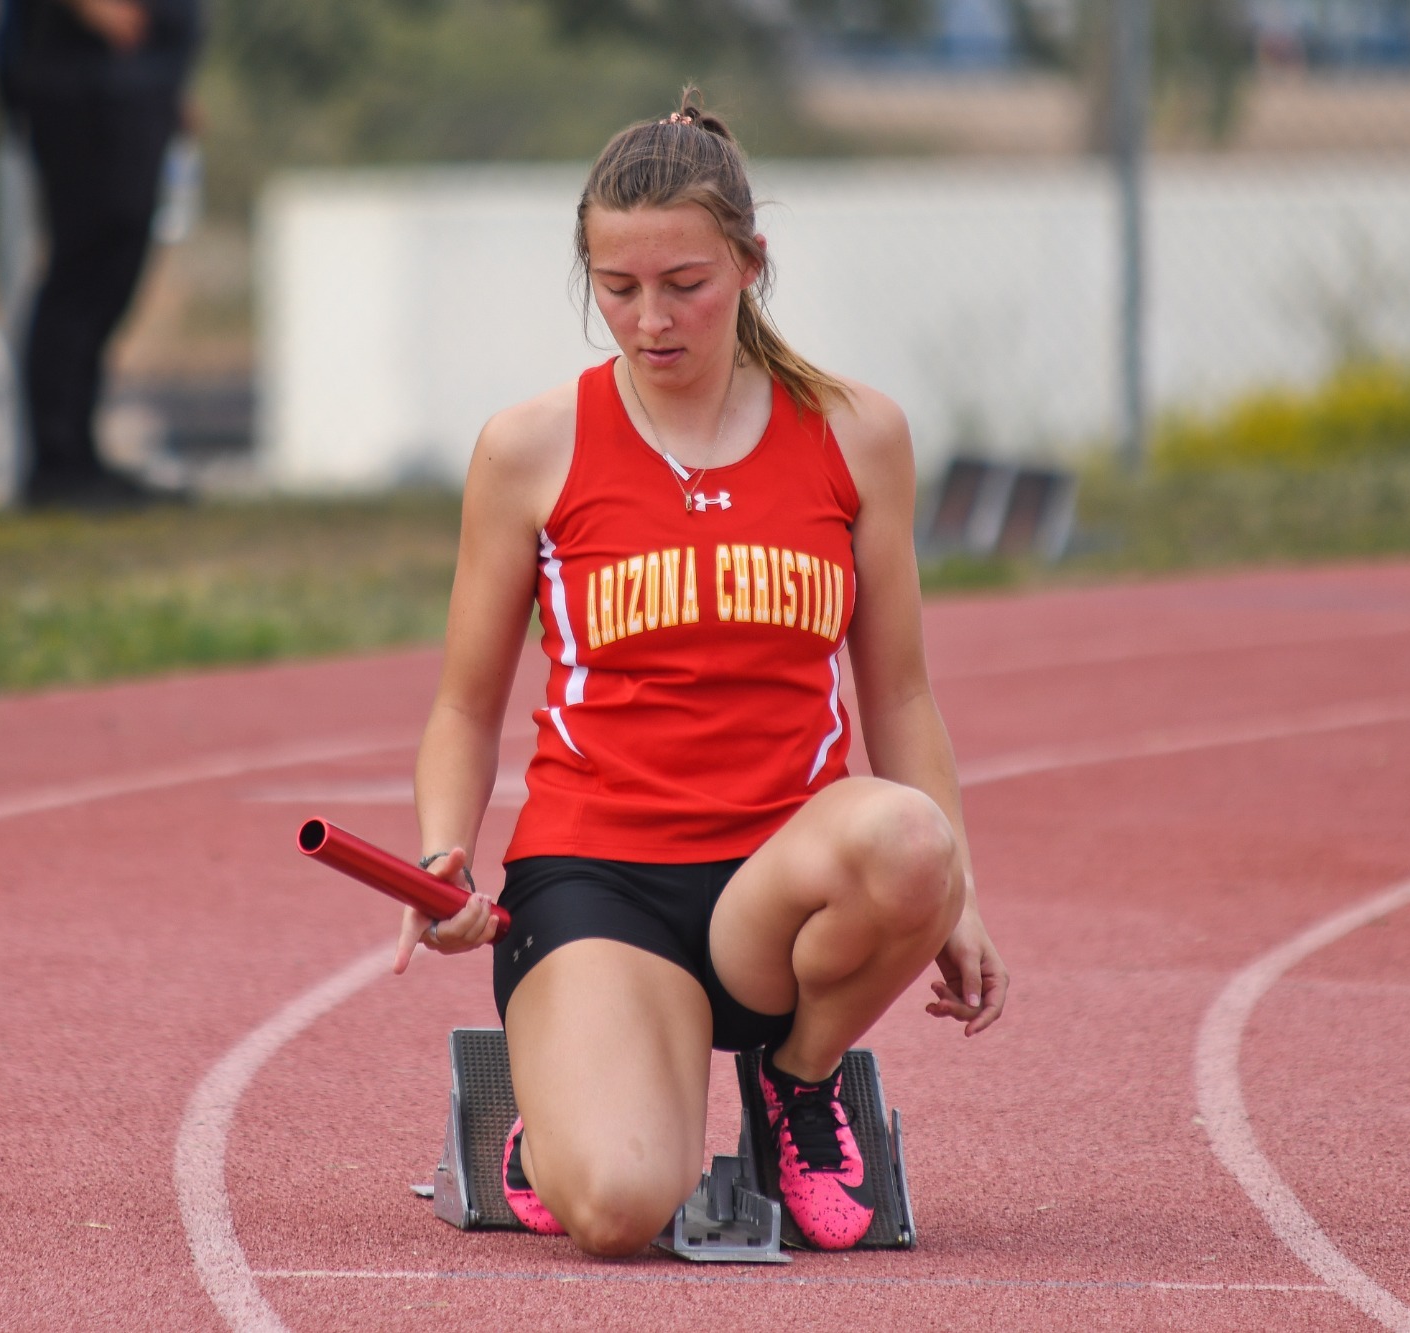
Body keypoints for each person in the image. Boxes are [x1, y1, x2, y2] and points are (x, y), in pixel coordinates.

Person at [394, 93, 1009, 1257]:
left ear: (749, 263)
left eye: (684, 283)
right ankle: (562, 1096)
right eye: (615, 289)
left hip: (775, 891)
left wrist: (957, 896)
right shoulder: (529, 447)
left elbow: (900, 696)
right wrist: (441, 852)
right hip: (598, 883)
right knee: (622, 1211)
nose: (648, 320)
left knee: (912, 840)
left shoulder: (854, 432)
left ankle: (796, 1081)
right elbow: (464, 704)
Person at [0, 0, 200, 506]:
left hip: (130, 79)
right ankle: (57, 464)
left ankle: (80, 459)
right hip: (82, 80)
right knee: (83, 264)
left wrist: (167, 82)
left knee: (114, 262)